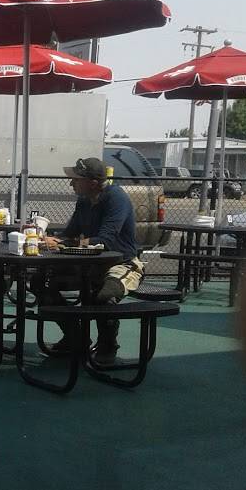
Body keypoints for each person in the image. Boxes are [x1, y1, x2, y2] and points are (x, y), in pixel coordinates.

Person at [39, 156, 144, 365]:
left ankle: (108, 345)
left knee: (105, 295)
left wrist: (63, 243)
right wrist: (49, 239)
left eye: (76, 179)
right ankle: (75, 337)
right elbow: (70, 233)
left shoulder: (116, 198)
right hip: (89, 266)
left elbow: (105, 241)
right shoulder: (84, 200)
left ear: (93, 183)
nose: (71, 183)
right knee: (41, 283)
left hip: (121, 263)